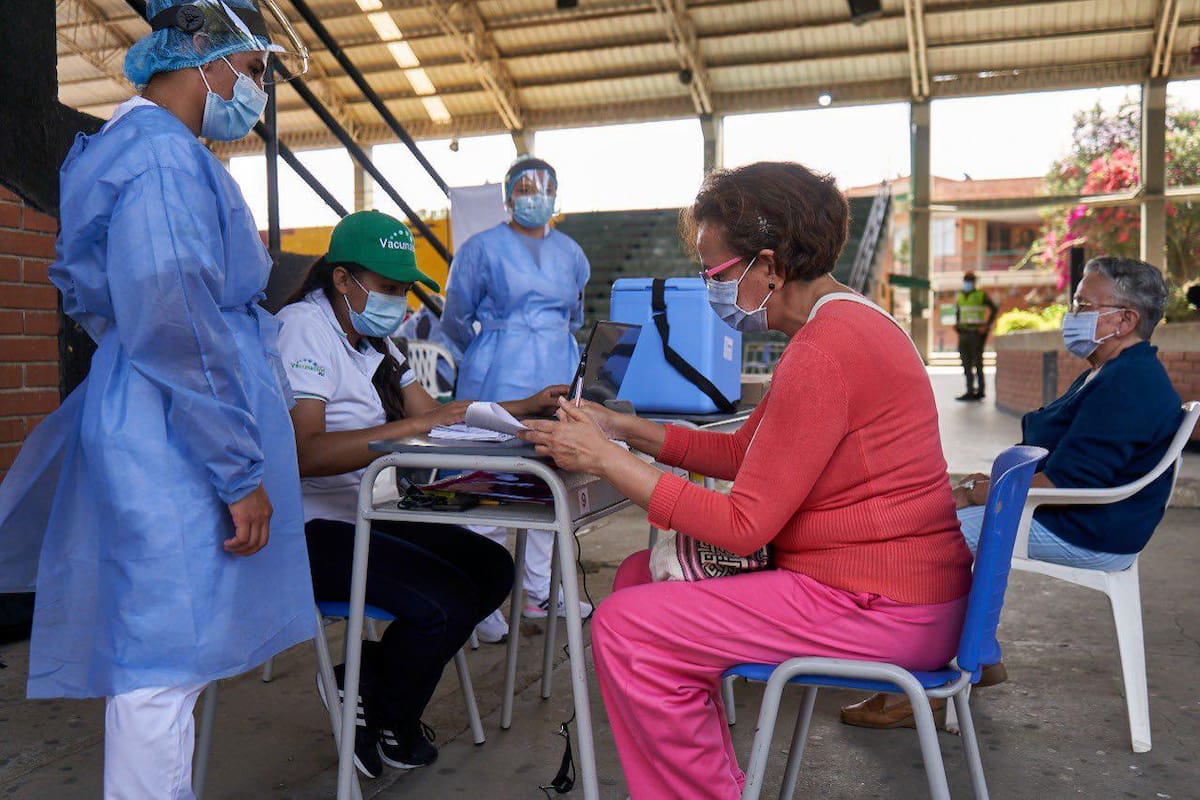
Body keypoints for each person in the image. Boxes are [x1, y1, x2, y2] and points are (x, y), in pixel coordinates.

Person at [520, 162, 974, 800]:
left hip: (880, 606)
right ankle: (711, 774)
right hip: (890, 590)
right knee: (635, 579)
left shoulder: (824, 351)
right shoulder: (843, 326)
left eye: (714, 271)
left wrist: (605, 460)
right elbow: (741, 453)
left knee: (626, 624)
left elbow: (743, 526)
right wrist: (622, 430)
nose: (710, 287)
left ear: (768, 266)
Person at [0, 3, 315, 797]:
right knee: (163, 661)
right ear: (200, 58)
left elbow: (106, 299)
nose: (255, 94)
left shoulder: (131, 150)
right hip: (177, 429)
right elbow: (175, 317)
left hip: (155, 407)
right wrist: (240, 471)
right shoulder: (163, 161)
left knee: (166, 649)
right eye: (250, 73)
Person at [275, 210, 566, 777]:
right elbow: (304, 453)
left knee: (491, 569)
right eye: (387, 288)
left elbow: (431, 418)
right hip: (310, 528)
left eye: (404, 290)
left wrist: (522, 408)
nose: (399, 301)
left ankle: (366, 688)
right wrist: (408, 430)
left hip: (369, 510)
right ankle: (389, 714)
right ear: (342, 279)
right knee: (440, 604)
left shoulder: (376, 337)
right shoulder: (303, 329)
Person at [842, 256, 1183, 730]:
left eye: (1084, 303)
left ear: (1126, 319)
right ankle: (975, 653)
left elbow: (1070, 483)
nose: (1072, 314)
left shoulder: (1130, 382)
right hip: (1074, 515)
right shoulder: (1108, 373)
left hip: (1087, 527)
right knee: (935, 517)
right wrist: (977, 489)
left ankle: (925, 683)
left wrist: (980, 493)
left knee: (930, 539)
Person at [441, 155, 591, 643]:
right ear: (507, 196)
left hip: (556, 366)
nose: (534, 196)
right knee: (488, 482)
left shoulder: (571, 252)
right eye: (524, 187)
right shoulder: (480, 248)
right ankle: (478, 596)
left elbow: (574, 315)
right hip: (498, 372)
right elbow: (456, 318)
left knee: (550, 478)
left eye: (543, 187)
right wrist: (489, 352)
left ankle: (536, 591)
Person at [954, 270, 998, 401]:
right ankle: (969, 390)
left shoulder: (980, 295)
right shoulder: (960, 296)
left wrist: (986, 325)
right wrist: (957, 324)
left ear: (974, 282)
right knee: (966, 363)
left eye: (970, 281)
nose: (968, 283)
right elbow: (958, 312)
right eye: (966, 281)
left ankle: (980, 390)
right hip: (963, 333)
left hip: (976, 334)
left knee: (978, 363)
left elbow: (994, 309)